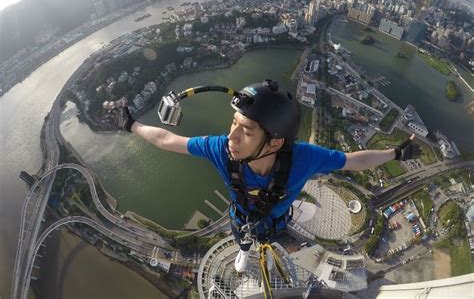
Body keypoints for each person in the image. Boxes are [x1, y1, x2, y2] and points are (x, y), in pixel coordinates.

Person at [113, 79, 420, 272]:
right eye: (233, 123)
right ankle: (244, 253)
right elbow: (168, 141)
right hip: (241, 216)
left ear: (275, 141)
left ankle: (253, 249)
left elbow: (353, 161)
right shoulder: (221, 148)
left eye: (245, 130)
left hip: (275, 220)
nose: (231, 136)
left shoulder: (304, 157)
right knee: (242, 239)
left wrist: (396, 153)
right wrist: (131, 126)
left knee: (268, 237)